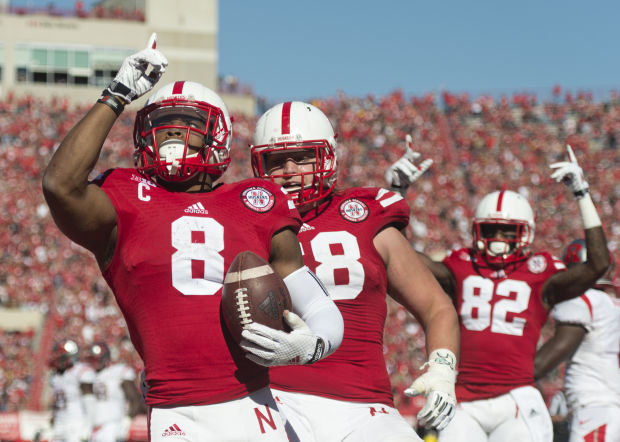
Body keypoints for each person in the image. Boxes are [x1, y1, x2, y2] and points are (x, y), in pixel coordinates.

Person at [42, 34, 343, 442]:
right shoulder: (124, 194)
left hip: (253, 403)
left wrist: (311, 345)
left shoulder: (257, 200)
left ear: (217, 134)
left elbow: (319, 306)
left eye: (188, 124)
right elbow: (60, 184)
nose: (171, 134)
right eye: (160, 125)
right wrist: (116, 95)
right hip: (176, 409)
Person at [245, 101, 460, 442]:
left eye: (303, 156)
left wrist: (442, 371)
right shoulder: (243, 222)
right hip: (275, 399)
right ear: (259, 164)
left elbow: (437, 307)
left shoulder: (366, 216)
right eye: (276, 160)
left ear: (327, 157)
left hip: (365, 405)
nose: (289, 169)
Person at [387, 144, 610, 441]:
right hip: (463, 399)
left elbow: (598, 264)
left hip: (515, 397)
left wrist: (582, 194)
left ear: (526, 232)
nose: (499, 239)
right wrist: (396, 193)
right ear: (478, 231)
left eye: (507, 231)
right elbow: (404, 257)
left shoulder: (540, 271)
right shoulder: (461, 265)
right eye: (491, 230)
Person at [534, 239, 620, 442]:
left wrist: (512, 372)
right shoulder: (612, 304)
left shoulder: (584, 300)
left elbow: (555, 351)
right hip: (606, 407)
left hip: (596, 407)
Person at [85, 342, 144, 442]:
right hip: (95, 424)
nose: (94, 362)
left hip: (113, 423)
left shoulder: (117, 371)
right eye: (92, 359)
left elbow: (134, 398)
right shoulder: (88, 375)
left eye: (96, 359)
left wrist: (128, 418)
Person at [48, 339, 96, 442]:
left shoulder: (80, 372)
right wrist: (53, 417)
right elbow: (57, 402)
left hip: (76, 423)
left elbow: (90, 402)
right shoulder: (55, 376)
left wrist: (87, 427)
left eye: (59, 355)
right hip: (59, 422)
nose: (56, 358)